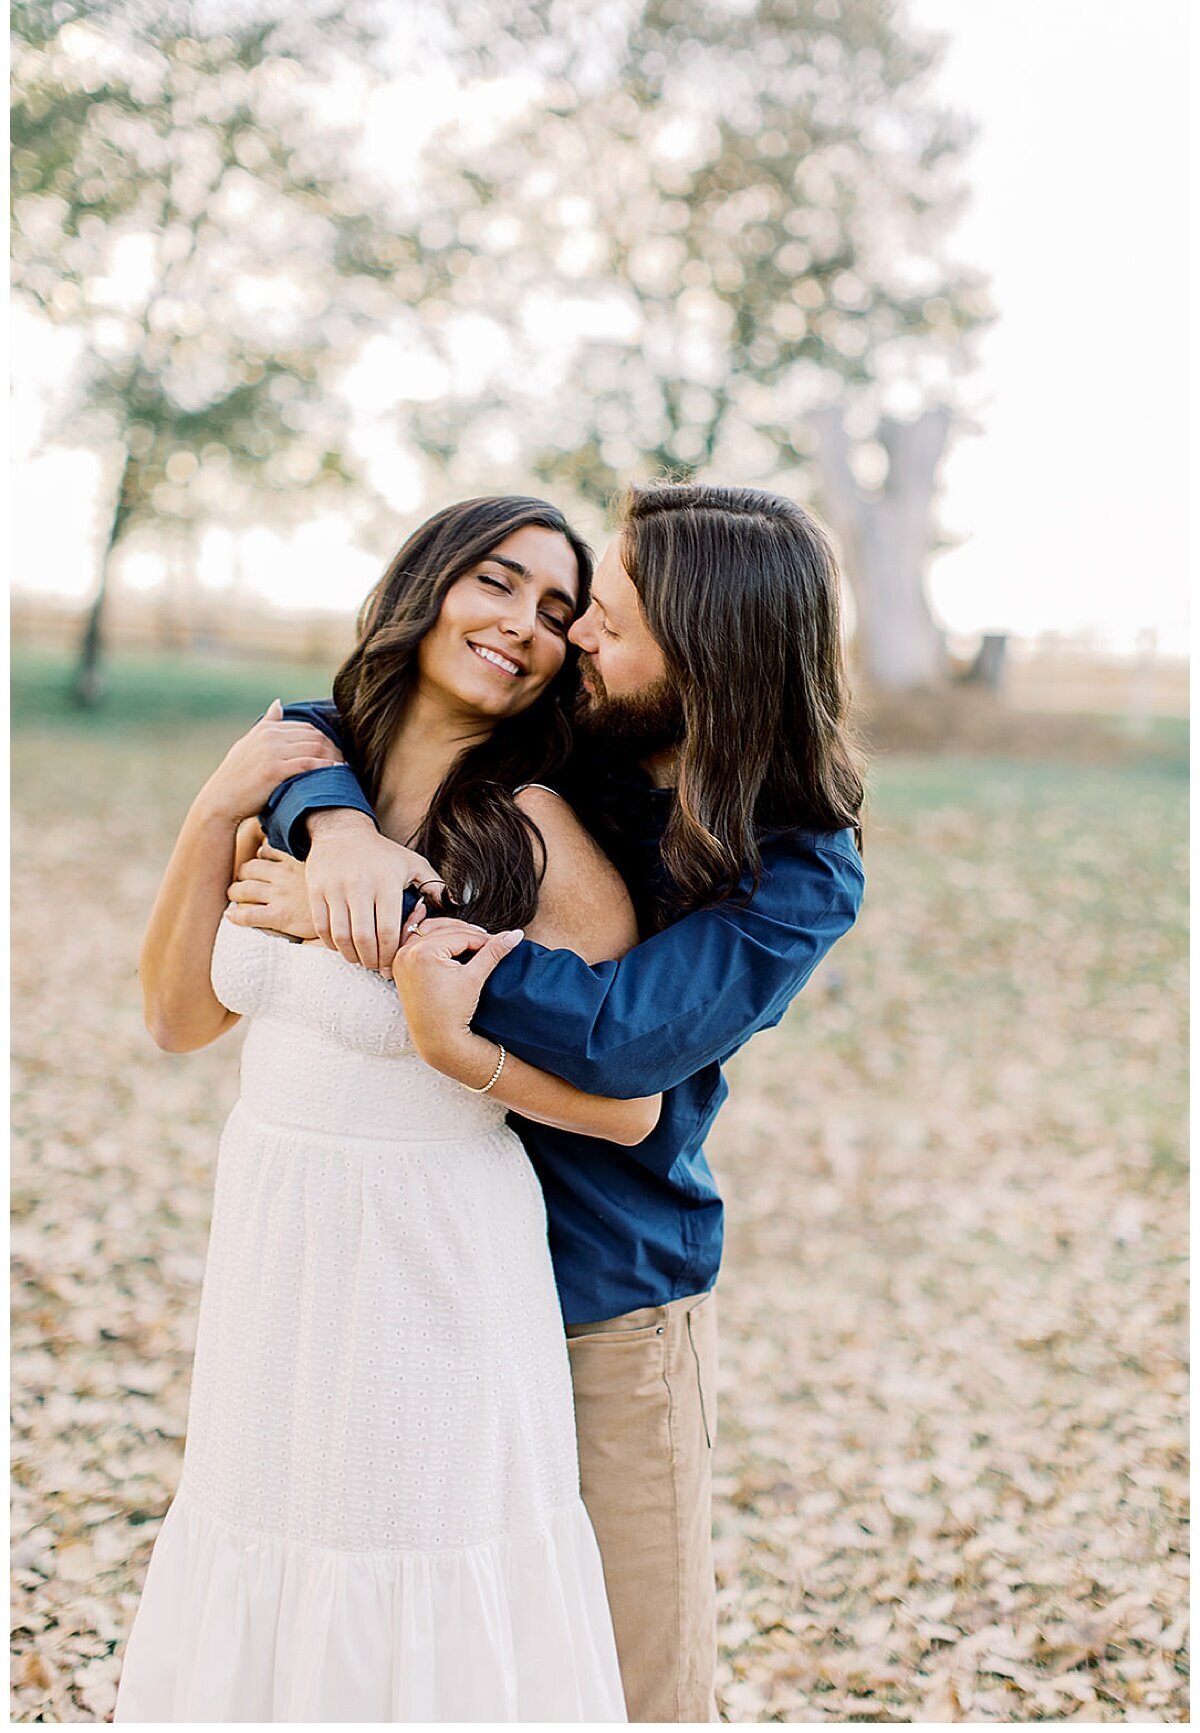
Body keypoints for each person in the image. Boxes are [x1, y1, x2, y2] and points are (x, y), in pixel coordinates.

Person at [229, 480, 867, 1723]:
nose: (575, 637)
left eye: (610, 618)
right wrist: (341, 832)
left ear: (707, 655)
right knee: (462, 1652)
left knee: (631, 1676)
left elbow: (626, 1041)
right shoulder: (587, 734)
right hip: (443, 1279)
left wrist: (375, 925)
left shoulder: (798, 865)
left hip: (601, 1293)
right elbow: (339, 714)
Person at [114, 496, 644, 1723]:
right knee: (266, 1532)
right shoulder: (298, 784)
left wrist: (443, 1024)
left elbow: (631, 1104)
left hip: (435, 1256)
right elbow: (179, 1018)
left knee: (411, 1556)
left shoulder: (537, 831)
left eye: (557, 611)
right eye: (497, 583)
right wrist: (212, 810)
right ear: (429, 583)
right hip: (275, 1236)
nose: (521, 624)